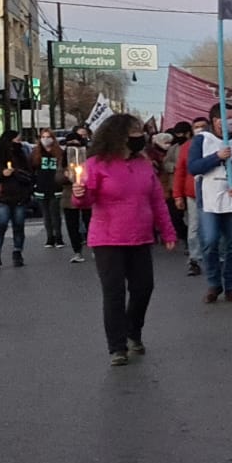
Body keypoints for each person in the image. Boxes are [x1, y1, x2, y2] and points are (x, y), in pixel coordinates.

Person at [70, 114, 178, 365]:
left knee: (143, 288)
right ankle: (117, 346)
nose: (140, 136)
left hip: (140, 237)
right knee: (114, 293)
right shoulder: (96, 164)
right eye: (135, 132)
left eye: (141, 132)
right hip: (108, 239)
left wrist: (168, 231)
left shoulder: (144, 165)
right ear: (119, 136)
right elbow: (85, 201)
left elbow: (157, 201)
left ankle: (133, 330)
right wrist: (79, 194)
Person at [188, 106, 232, 303]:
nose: (230, 121)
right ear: (215, 121)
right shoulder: (202, 140)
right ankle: (214, 283)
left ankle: (231, 286)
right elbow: (193, 167)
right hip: (210, 201)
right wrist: (216, 157)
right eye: (226, 118)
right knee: (210, 241)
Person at [0, 130, 34, 270]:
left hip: (19, 197)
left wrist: (23, 181)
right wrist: (2, 174)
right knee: (1, 224)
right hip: (2, 197)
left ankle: (17, 252)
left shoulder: (22, 155)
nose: (19, 142)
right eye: (16, 139)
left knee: (18, 226)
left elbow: (29, 174)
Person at [172, 116, 207, 276]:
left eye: (203, 126)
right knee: (194, 227)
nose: (200, 129)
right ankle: (194, 259)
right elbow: (180, 171)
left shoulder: (216, 144)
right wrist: (178, 195)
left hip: (213, 193)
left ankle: (218, 257)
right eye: (196, 126)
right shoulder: (187, 147)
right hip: (193, 194)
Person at [30, 129, 68, 248]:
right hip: (41, 187)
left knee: (55, 214)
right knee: (46, 215)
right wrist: (33, 184)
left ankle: (59, 238)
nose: (46, 139)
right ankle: (49, 238)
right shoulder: (35, 153)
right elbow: (31, 170)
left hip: (55, 187)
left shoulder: (59, 152)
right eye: (43, 137)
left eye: (48, 137)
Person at [62, 127, 93, 265]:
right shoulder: (63, 158)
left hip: (87, 195)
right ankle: (77, 251)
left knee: (90, 222)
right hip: (69, 197)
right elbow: (57, 177)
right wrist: (65, 176)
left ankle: (94, 246)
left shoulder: (88, 155)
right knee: (72, 225)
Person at [162, 122, 191, 251]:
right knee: (174, 216)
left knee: (193, 219)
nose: (178, 137)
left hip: (190, 187)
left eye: (180, 134)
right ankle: (185, 237)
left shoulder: (194, 145)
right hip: (175, 187)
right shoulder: (173, 148)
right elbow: (166, 163)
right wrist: (175, 167)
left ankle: (193, 242)